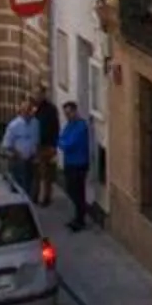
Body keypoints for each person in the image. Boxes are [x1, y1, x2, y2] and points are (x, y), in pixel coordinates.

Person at [57, 96, 96, 230]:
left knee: (77, 192)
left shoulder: (80, 126)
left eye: (69, 113)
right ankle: (78, 216)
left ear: (75, 111)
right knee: (71, 190)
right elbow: (62, 138)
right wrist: (62, 142)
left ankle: (80, 219)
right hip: (70, 163)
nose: (67, 116)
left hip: (79, 164)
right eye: (65, 114)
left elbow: (68, 144)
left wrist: (61, 143)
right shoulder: (69, 125)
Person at [0, 98, 39, 201]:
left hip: (31, 160)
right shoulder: (14, 125)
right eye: (25, 109)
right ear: (21, 111)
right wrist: (18, 154)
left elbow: (36, 140)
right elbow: (7, 144)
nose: (28, 112)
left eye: (30, 109)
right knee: (18, 187)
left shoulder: (36, 123)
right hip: (18, 161)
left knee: (30, 186)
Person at [34, 87, 63, 203]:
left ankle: (46, 197)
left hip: (47, 145)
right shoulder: (35, 108)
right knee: (36, 173)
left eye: (39, 94)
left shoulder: (50, 109)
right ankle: (34, 196)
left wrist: (54, 145)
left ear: (44, 94)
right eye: (36, 94)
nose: (38, 96)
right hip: (36, 145)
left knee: (47, 174)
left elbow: (55, 127)